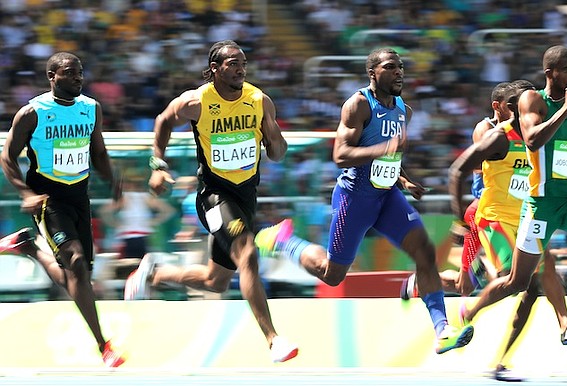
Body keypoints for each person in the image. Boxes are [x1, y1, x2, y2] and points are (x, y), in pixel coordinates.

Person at [255, 47, 474, 354]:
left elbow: (391, 153)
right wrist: (386, 148)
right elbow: (341, 155)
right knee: (332, 275)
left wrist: (403, 177)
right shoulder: (358, 104)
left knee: (424, 251)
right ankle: (285, 241)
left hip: (387, 197)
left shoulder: (403, 110)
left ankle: (442, 330)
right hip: (354, 198)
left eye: (400, 67)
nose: (399, 72)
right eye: (390, 67)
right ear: (373, 73)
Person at [123, 40, 298, 363]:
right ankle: (273, 340)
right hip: (214, 196)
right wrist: (158, 166)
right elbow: (162, 121)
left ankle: (154, 274)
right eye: (232, 63)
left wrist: (274, 136)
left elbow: (277, 153)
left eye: (243, 62)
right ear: (215, 69)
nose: (240, 68)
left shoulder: (259, 101)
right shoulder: (197, 101)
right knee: (247, 253)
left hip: (246, 195)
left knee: (214, 281)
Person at [460, 46, 567, 341]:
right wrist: (564, 109)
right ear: (549, 73)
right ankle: (469, 313)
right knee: (516, 282)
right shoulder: (532, 99)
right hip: (540, 207)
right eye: (565, 70)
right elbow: (533, 140)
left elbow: (564, 144)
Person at [449, 80, 567, 381]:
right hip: (495, 218)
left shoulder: (541, 139)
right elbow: (458, 170)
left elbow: (557, 170)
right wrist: (459, 220)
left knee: (535, 286)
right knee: (513, 281)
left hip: (529, 215)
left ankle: (560, 328)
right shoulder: (497, 138)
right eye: (518, 104)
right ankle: (468, 313)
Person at [0, 52, 126, 367]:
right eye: (70, 73)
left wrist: (113, 180)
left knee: (77, 277)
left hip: (79, 196)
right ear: (52, 76)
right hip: (47, 198)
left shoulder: (91, 108)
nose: (78, 78)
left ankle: (29, 248)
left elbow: (98, 151)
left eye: (80, 73)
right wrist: (25, 193)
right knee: (77, 262)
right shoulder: (33, 112)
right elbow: (7, 157)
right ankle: (104, 346)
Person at [400, 82, 511, 299]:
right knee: (484, 280)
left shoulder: (517, 132)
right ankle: (429, 280)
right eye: (512, 105)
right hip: (483, 209)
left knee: (468, 283)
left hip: (503, 210)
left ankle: (425, 280)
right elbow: (484, 166)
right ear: (497, 106)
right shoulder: (486, 129)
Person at [99, 172, 176, 259]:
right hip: (138, 238)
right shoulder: (143, 197)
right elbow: (168, 210)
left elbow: (104, 211)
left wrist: (115, 224)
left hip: (133, 238)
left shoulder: (127, 198)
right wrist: (154, 221)